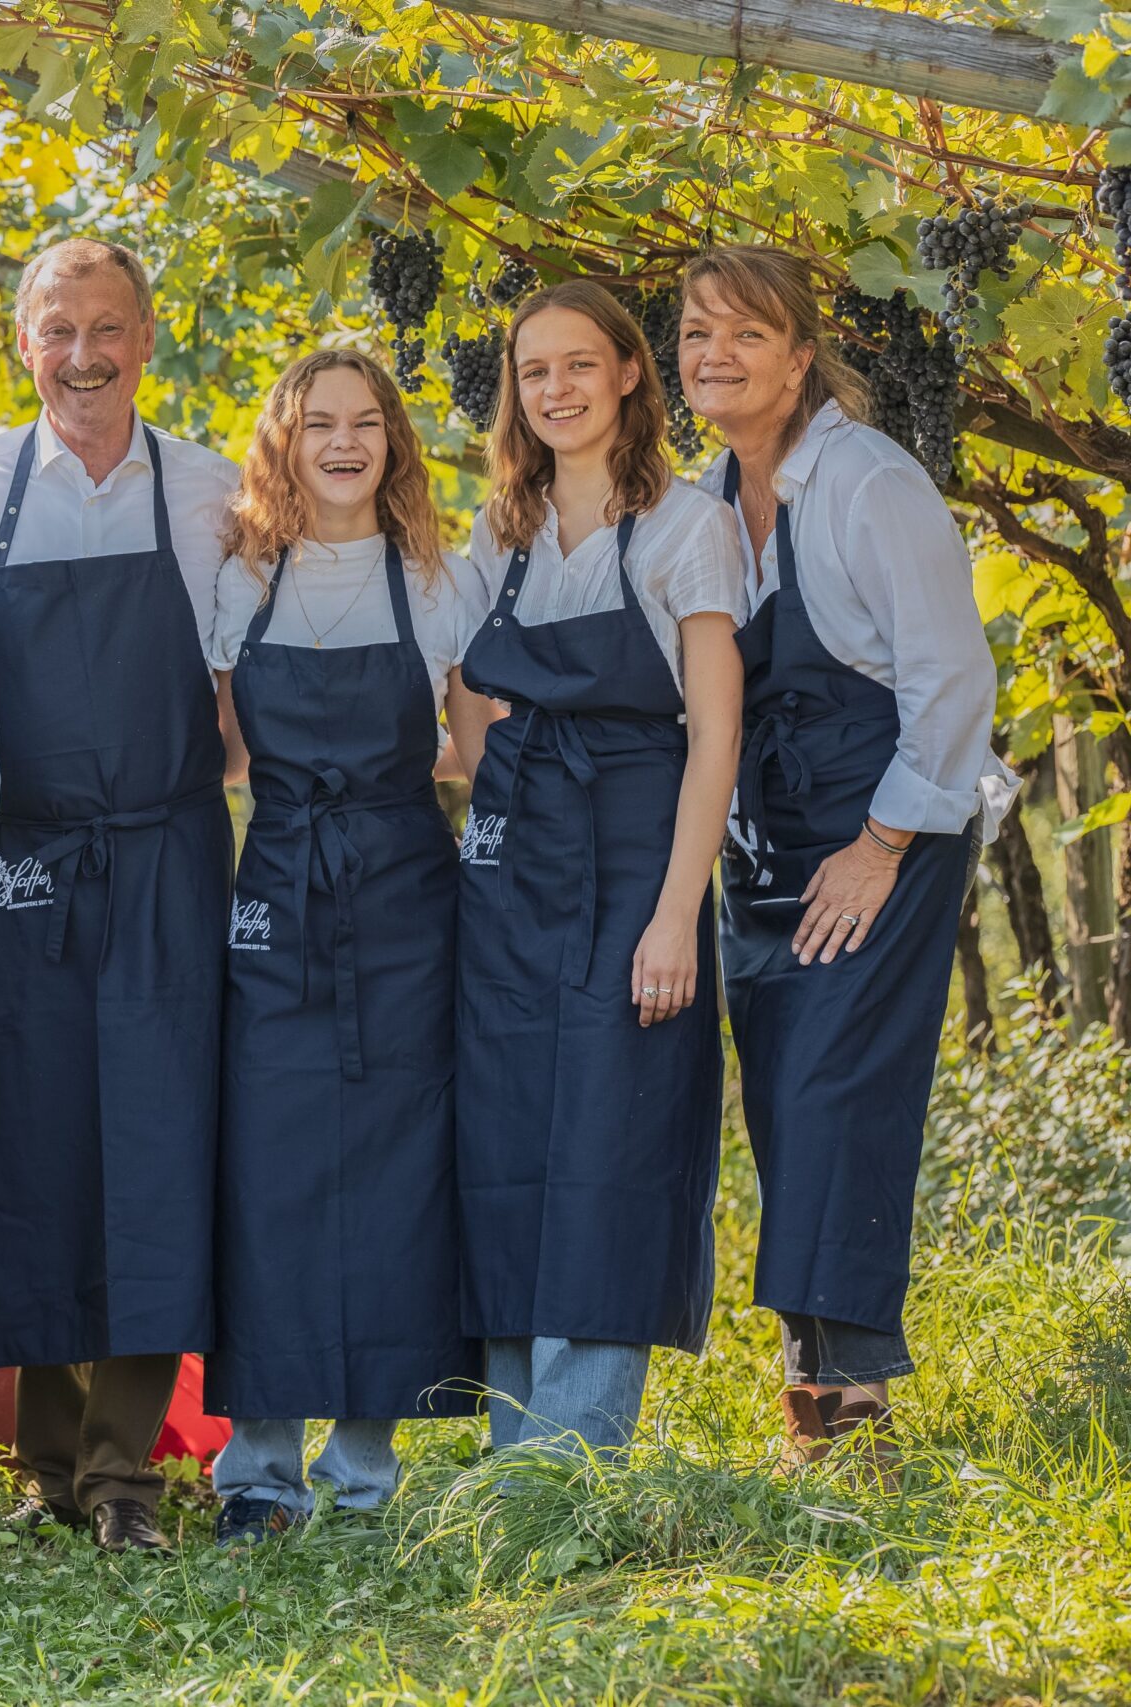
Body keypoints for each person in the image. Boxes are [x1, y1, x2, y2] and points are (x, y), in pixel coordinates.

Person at [0, 236, 235, 1552]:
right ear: (21, 344)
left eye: (109, 327)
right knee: (30, 1141)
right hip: (18, 856)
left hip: (166, 851)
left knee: (160, 1144)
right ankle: (43, 1461)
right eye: (59, 329)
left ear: (148, 337)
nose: (85, 353)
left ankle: (125, 1471)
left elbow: (233, 694)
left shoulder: (210, 493)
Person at [681, 246, 1006, 1479]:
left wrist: (876, 850)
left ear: (801, 355)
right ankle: (814, 1375)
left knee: (836, 1101)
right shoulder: (705, 495)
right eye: (697, 336)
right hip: (766, 848)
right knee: (778, 1106)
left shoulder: (868, 482)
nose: (714, 357)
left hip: (889, 832)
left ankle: (849, 1402)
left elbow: (951, 682)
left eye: (744, 335)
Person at [201, 349, 489, 1544]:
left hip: (407, 899)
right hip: (276, 889)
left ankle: (363, 1476)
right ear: (284, 438)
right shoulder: (239, 579)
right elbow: (223, 757)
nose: (342, 442)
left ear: (392, 442)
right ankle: (257, 1475)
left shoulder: (436, 579)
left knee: (396, 1175)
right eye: (318, 422)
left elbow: (471, 750)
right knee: (265, 1168)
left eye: (365, 423)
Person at [454, 279, 746, 1455]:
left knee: (610, 1136)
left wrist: (676, 916)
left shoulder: (687, 528)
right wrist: (489, 805)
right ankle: (512, 1444)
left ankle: (574, 1461)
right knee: (510, 1132)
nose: (556, 391)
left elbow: (715, 734)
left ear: (631, 372)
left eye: (580, 365)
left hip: (637, 859)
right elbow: (471, 696)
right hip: (515, 873)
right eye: (534, 373)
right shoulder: (500, 534)